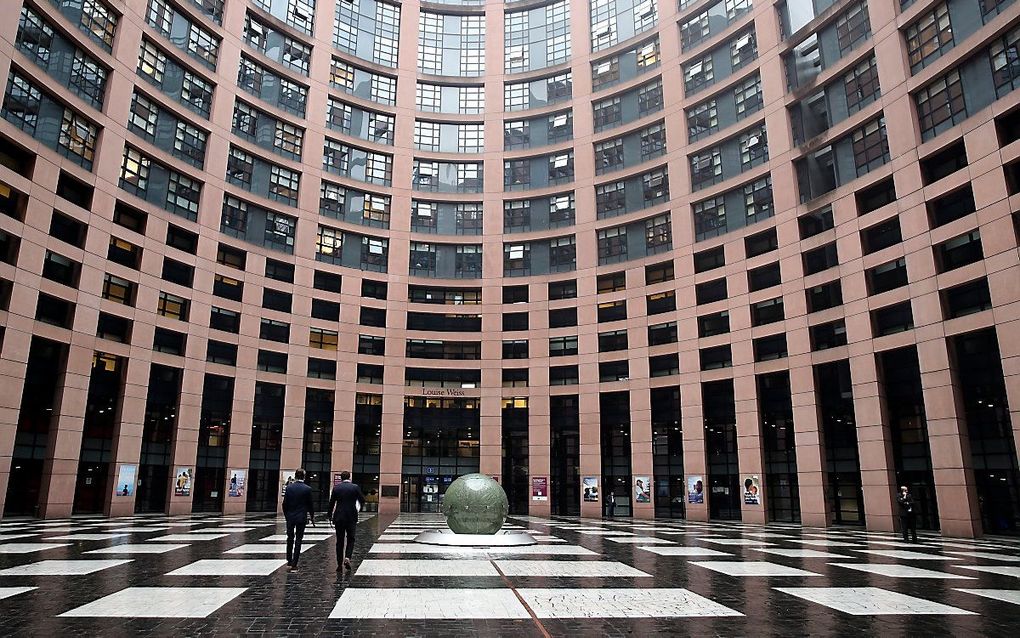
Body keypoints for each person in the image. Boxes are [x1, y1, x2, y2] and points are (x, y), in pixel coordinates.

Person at [329, 470, 366, 572]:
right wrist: (359, 508)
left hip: (339, 516)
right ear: (349, 477)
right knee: (351, 538)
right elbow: (362, 499)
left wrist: (329, 516)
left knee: (339, 541)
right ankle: (348, 557)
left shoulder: (336, 488)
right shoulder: (355, 487)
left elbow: (331, 503)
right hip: (351, 516)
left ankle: (339, 564)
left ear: (341, 478)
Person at [282, 468, 315, 571]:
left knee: (290, 538)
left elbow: (284, 504)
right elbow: (310, 505)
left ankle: (289, 560)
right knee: (299, 539)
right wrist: (312, 516)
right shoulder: (307, 489)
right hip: (301, 517)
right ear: (304, 477)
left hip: (290, 517)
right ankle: (295, 563)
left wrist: (287, 516)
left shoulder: (289, 488)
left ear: (296, 476)